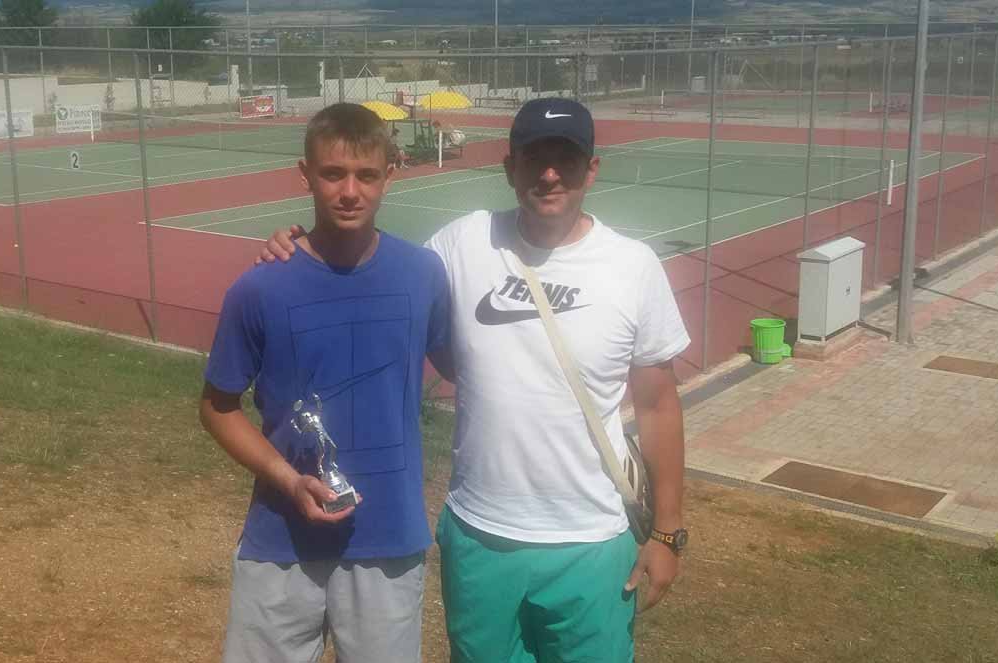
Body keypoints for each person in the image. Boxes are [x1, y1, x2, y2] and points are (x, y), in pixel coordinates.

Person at [257, 97, 690, 662]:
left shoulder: (634, 266)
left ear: (591, 169)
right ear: (510, 168)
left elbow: (657, 405)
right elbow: (374, 273)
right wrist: (301, 245)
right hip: (479, 537)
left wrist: (667, 533)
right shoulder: (462, 244)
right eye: (534, 159)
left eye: (566, 159)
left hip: (592, 541)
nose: (550, 174)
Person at [200, 102, 450, 663]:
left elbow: (470, 364)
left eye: (367, 175)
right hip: (281, 540)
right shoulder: (261, 287)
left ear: (391, 173)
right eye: (333, 173)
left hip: (388, 537)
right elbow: (217, 407)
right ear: (305, 174)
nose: (350, 192)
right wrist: (289, 481)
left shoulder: (423, 274)